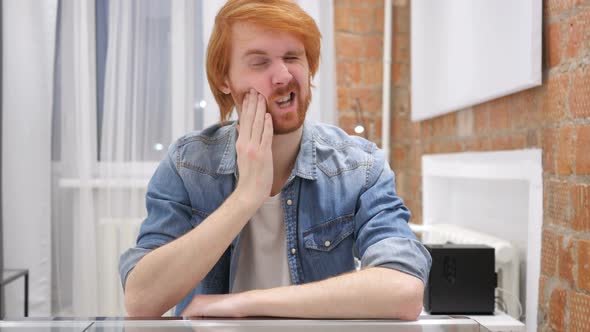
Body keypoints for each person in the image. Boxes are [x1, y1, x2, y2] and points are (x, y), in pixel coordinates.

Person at [119, 0, 431, 319]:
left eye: (293, 57)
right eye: (259, 62)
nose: (283, 76)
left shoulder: (359, 166)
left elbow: (403, 290)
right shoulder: (188, 164)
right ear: (225, 79)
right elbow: (141, 299)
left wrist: (243, 303)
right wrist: (246, 197)